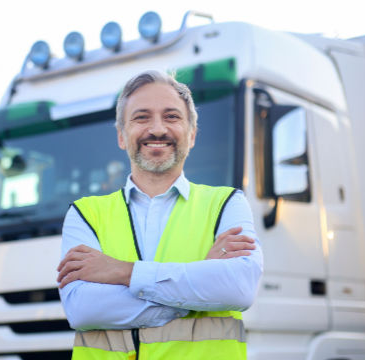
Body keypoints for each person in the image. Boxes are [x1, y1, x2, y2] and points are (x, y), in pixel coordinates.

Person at [56, 70, 263, 359]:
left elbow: (238, 289)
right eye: (141, 117)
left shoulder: (227, 203)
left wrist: (122, 272)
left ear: (191, 135)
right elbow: (83, 309)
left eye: (171, 117)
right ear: (121, 136)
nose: (157, 129)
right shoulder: (85, 214)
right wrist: (199, 285)